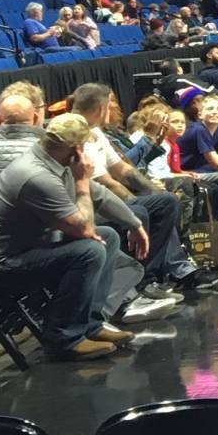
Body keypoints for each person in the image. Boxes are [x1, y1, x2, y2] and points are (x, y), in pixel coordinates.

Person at [0, 115, 128, 362]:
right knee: (90, 249)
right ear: (76, 148)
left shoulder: (53, 164)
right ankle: (64, 338)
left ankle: (91, 325)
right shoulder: (36, 175)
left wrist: (136, 225)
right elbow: (84, 228)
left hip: (27, 252)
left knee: (108, 236)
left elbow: (99, 200)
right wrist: (82, 181)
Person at [65, 82, 207, 302]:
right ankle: (141, 285)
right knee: (143, 210)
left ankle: (151, 278)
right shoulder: (78, 133)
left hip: (107, 197)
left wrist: (151, 192)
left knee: (164, 201)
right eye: (110, 101)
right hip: (88, 205)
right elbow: (105, 182)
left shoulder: (95, 131)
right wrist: (135, 204)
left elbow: (123, 170)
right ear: (101, 108)